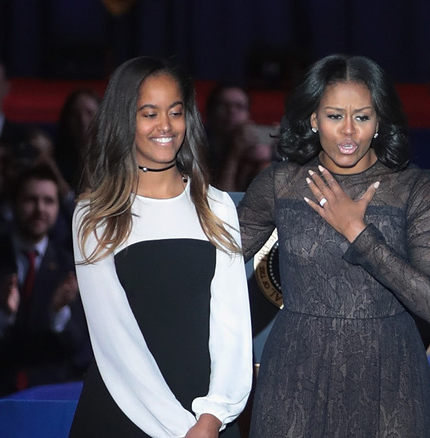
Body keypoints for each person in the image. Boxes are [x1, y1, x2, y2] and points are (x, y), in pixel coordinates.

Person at [237, 54, 430, 437]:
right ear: (313, 119)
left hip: (390, 376)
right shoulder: (281, 184)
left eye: (363, 117)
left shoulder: (412, 188)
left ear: (379, 122)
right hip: (295, 374)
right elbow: (214, 255)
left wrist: (359, 233)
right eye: (336, 116)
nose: (349, 132)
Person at [69, 56, 252, 437]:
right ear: (124, 119)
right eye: (148, 113)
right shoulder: (95, 213)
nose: (165, 126)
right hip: (124, 415)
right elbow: (115, 340)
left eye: (175, 112)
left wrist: (213, 416)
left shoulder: (216, 205)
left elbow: (232, 327)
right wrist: (181, 428)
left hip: (209, 420)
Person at [0, 163, 90, 398]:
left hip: (48, 394)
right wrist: (1, 315)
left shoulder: (70, 265)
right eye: (30, 200)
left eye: (49, 201)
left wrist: (58, 313)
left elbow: (80, 348)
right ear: (14, 203)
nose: (39, 209)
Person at [53, 88, 101, 194]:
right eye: (75, 114)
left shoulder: (114, 160)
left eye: (90, 113)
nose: (82, 121)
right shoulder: (58, 159)